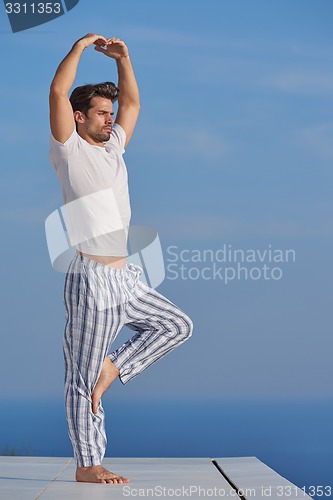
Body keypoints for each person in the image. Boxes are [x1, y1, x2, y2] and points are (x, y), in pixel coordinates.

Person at [49, 33, 193, 484]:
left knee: (176, 325)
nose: (110, 120)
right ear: (79, 117)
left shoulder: (114, 148)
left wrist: (124, 61)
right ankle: (87, 466)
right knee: (80, 376)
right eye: (101, 113)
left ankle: (116, 366)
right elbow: (56, 91)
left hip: (126, 277)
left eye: (111, 115)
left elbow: (131, 104)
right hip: (90, 278)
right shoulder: (69, 150)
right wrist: (77, 49)